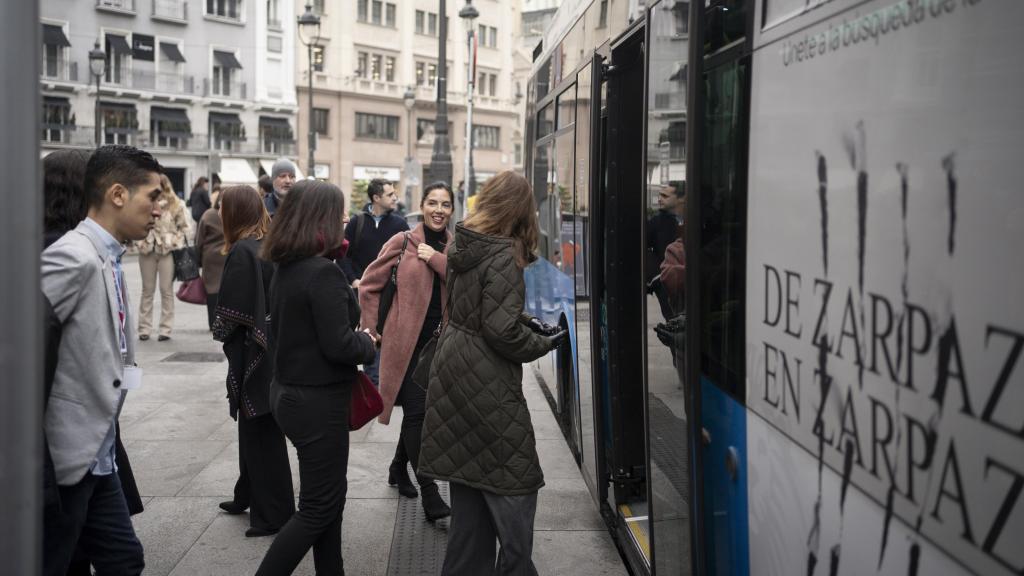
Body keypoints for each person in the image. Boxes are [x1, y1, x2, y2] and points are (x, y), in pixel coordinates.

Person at [419, 171, 565, 576]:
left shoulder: (465, 240)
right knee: (517, 478)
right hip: (483, 374)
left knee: (468, 489)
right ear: (520, 210)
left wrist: (521, 320)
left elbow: (480, 308)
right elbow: (500, 330)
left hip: (453, 366)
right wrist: (542, 343)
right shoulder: (503, 253)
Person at [41, 145, 164, 576]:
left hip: (100, 454)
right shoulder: (72, 256)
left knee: (124, 559)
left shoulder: (108, 255)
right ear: (116, 195)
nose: (159, 210)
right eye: (153, 197)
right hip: (70, 458)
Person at [256, 180, 378, 575]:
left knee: (328, 500)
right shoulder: (321, 273)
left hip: (291, 393)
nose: (346, 219)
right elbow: (339, 345)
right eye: (339, 212)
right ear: (321, 219)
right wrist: (368, 342)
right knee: (317, 507)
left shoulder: (288, 266)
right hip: (316, 401)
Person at [358, 182, 454, 519]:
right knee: (416, 414)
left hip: (439, 348)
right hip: (405, 345)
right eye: (432, 203)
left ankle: (399, 467)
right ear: (422, 206)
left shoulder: (455, 248)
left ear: (452, 210)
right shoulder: (403, 242)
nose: (438, 210)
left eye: (445, 204)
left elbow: (463, 285)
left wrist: (438, 260)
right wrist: (371, 330)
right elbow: (369, 284)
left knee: (423, 412)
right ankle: (429, 493)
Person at [212, 185, 295, 537]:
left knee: (260, 428)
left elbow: (230, 316)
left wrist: (219, 329)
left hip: (255, 355)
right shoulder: (267, 245)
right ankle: (246, 493)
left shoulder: (242, 252)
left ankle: (274, 514)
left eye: (223, 209)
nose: (219, 214)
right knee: (256, 425)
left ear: (234, 214)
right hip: (275, 350)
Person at [135, 175, 191, 342]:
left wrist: (173, 240)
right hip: (147, 249)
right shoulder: (144, 202)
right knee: (147, 290)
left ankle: (165, 329)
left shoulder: (176, 204)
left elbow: (186, 229)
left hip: (167, 251)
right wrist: (139, 241)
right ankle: (144, 328)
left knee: (166, 290)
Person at [647, 181, 685, 320]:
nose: (660, 199)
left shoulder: (694, 219)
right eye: (660, 195)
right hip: (668, 283)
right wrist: (657, 277)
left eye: (665, 196)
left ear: (680, 198)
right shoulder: (657, 222)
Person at [195, 196, 228, 330]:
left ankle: (213, 323)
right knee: (226, 289)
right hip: (228, 253)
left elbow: (199, 239)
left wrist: (198, 259)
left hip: (210, 257)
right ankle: (226, 320)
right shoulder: (233, 213)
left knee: (211, 290)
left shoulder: (208, 214)